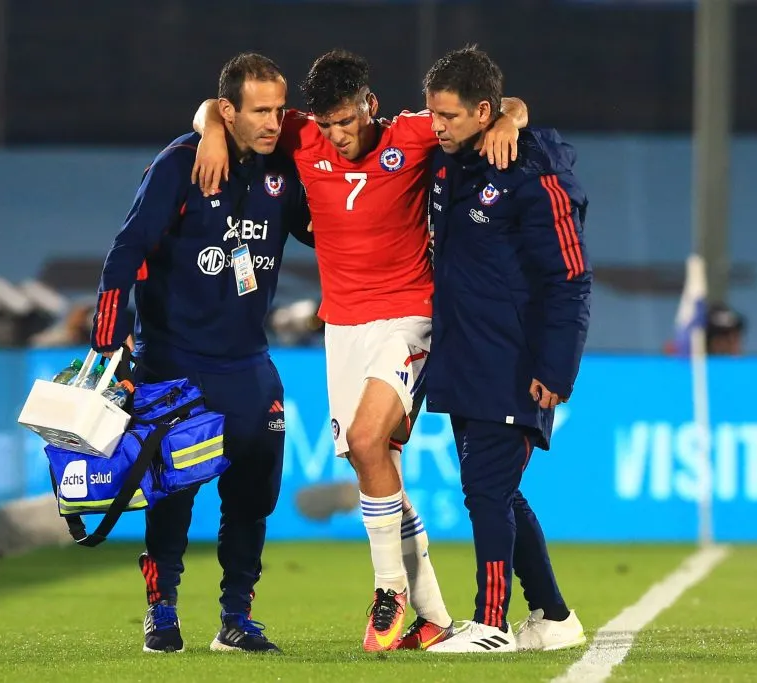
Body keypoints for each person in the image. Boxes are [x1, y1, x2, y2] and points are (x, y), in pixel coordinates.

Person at [192, 49, 527, 652]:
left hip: (409, 316)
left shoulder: (409, 136)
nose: (337, 136)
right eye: (326, 126)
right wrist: (213, 131)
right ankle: (431, 620)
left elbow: (506, 107)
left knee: (371, 440)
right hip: (342, 327)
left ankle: (389, 589)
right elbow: (217, 112)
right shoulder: (299, 135)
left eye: (346, 121)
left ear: (369, 106)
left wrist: (507, 120)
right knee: (375, 470)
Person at [90, 52, 313, 655]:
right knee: (171, 491)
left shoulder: (283, 171)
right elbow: (125, 252)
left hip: (248, 364)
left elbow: (324, 232)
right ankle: (161, 612)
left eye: (278, 109)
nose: (272, 121)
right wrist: (109, 339)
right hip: (175, 363)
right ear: (227, 110)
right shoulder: (178, 166)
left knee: (252, 496)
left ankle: (236, 618)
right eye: (259, 110)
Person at [420, 46, 591, 653]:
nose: (437, 126)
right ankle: (552, 617)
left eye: (449, 116)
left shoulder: (535, 172)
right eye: (432, 113)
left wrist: (556, 367)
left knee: (485, 492)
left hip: (517, 363)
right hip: (465, 359)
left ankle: (489, 624)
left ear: (483, 110)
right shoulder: (449, 163)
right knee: (498, 489)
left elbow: (569, 278)